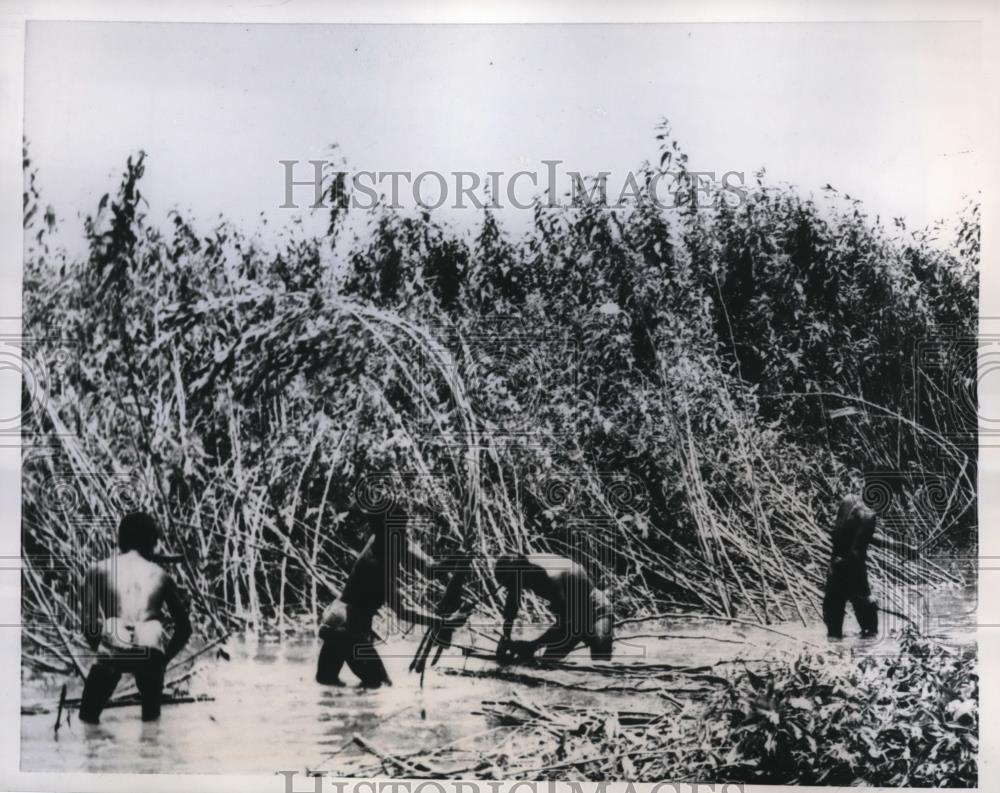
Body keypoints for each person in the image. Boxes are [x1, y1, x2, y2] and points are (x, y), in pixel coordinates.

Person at [316, 511, 460, 688]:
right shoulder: (377, 565)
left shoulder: (387, 541)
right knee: (380, 687)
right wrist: (442, 622)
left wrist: (459, 558)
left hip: (335, 621)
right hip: (347, 629)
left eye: (403, 528)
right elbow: (403, 611)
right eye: (398, 530)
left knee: (327, 684)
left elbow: (430, 569)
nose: (403, 534)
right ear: (383, 531)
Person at [79, 511, 192, 723]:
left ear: (121, 540)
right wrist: (163, 662)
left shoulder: (96, 570)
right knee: (152, 726)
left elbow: (88, 625)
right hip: (151, 644)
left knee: (87, 720)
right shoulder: (161, 575)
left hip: (114, 638)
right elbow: (185, 628)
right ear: (151, 541)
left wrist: (105, 653)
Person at [493, 553, 613, 664]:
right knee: (547, 665)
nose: (515, 589)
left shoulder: (555, 579)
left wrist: (533, 646)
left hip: (596, 611)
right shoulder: (519, 567)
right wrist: (506, 638)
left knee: (601, 665)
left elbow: (568, 625)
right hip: (571, 618)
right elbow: (511, 609)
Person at [822, 494, 879, 639]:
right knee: (870, 633)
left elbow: (844, 535)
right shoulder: (869, 515)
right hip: (853, 571)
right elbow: (855, 554)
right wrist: (866, 594)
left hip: (835, 570)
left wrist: (896, 546)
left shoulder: (848, 500)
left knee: (833, 635)